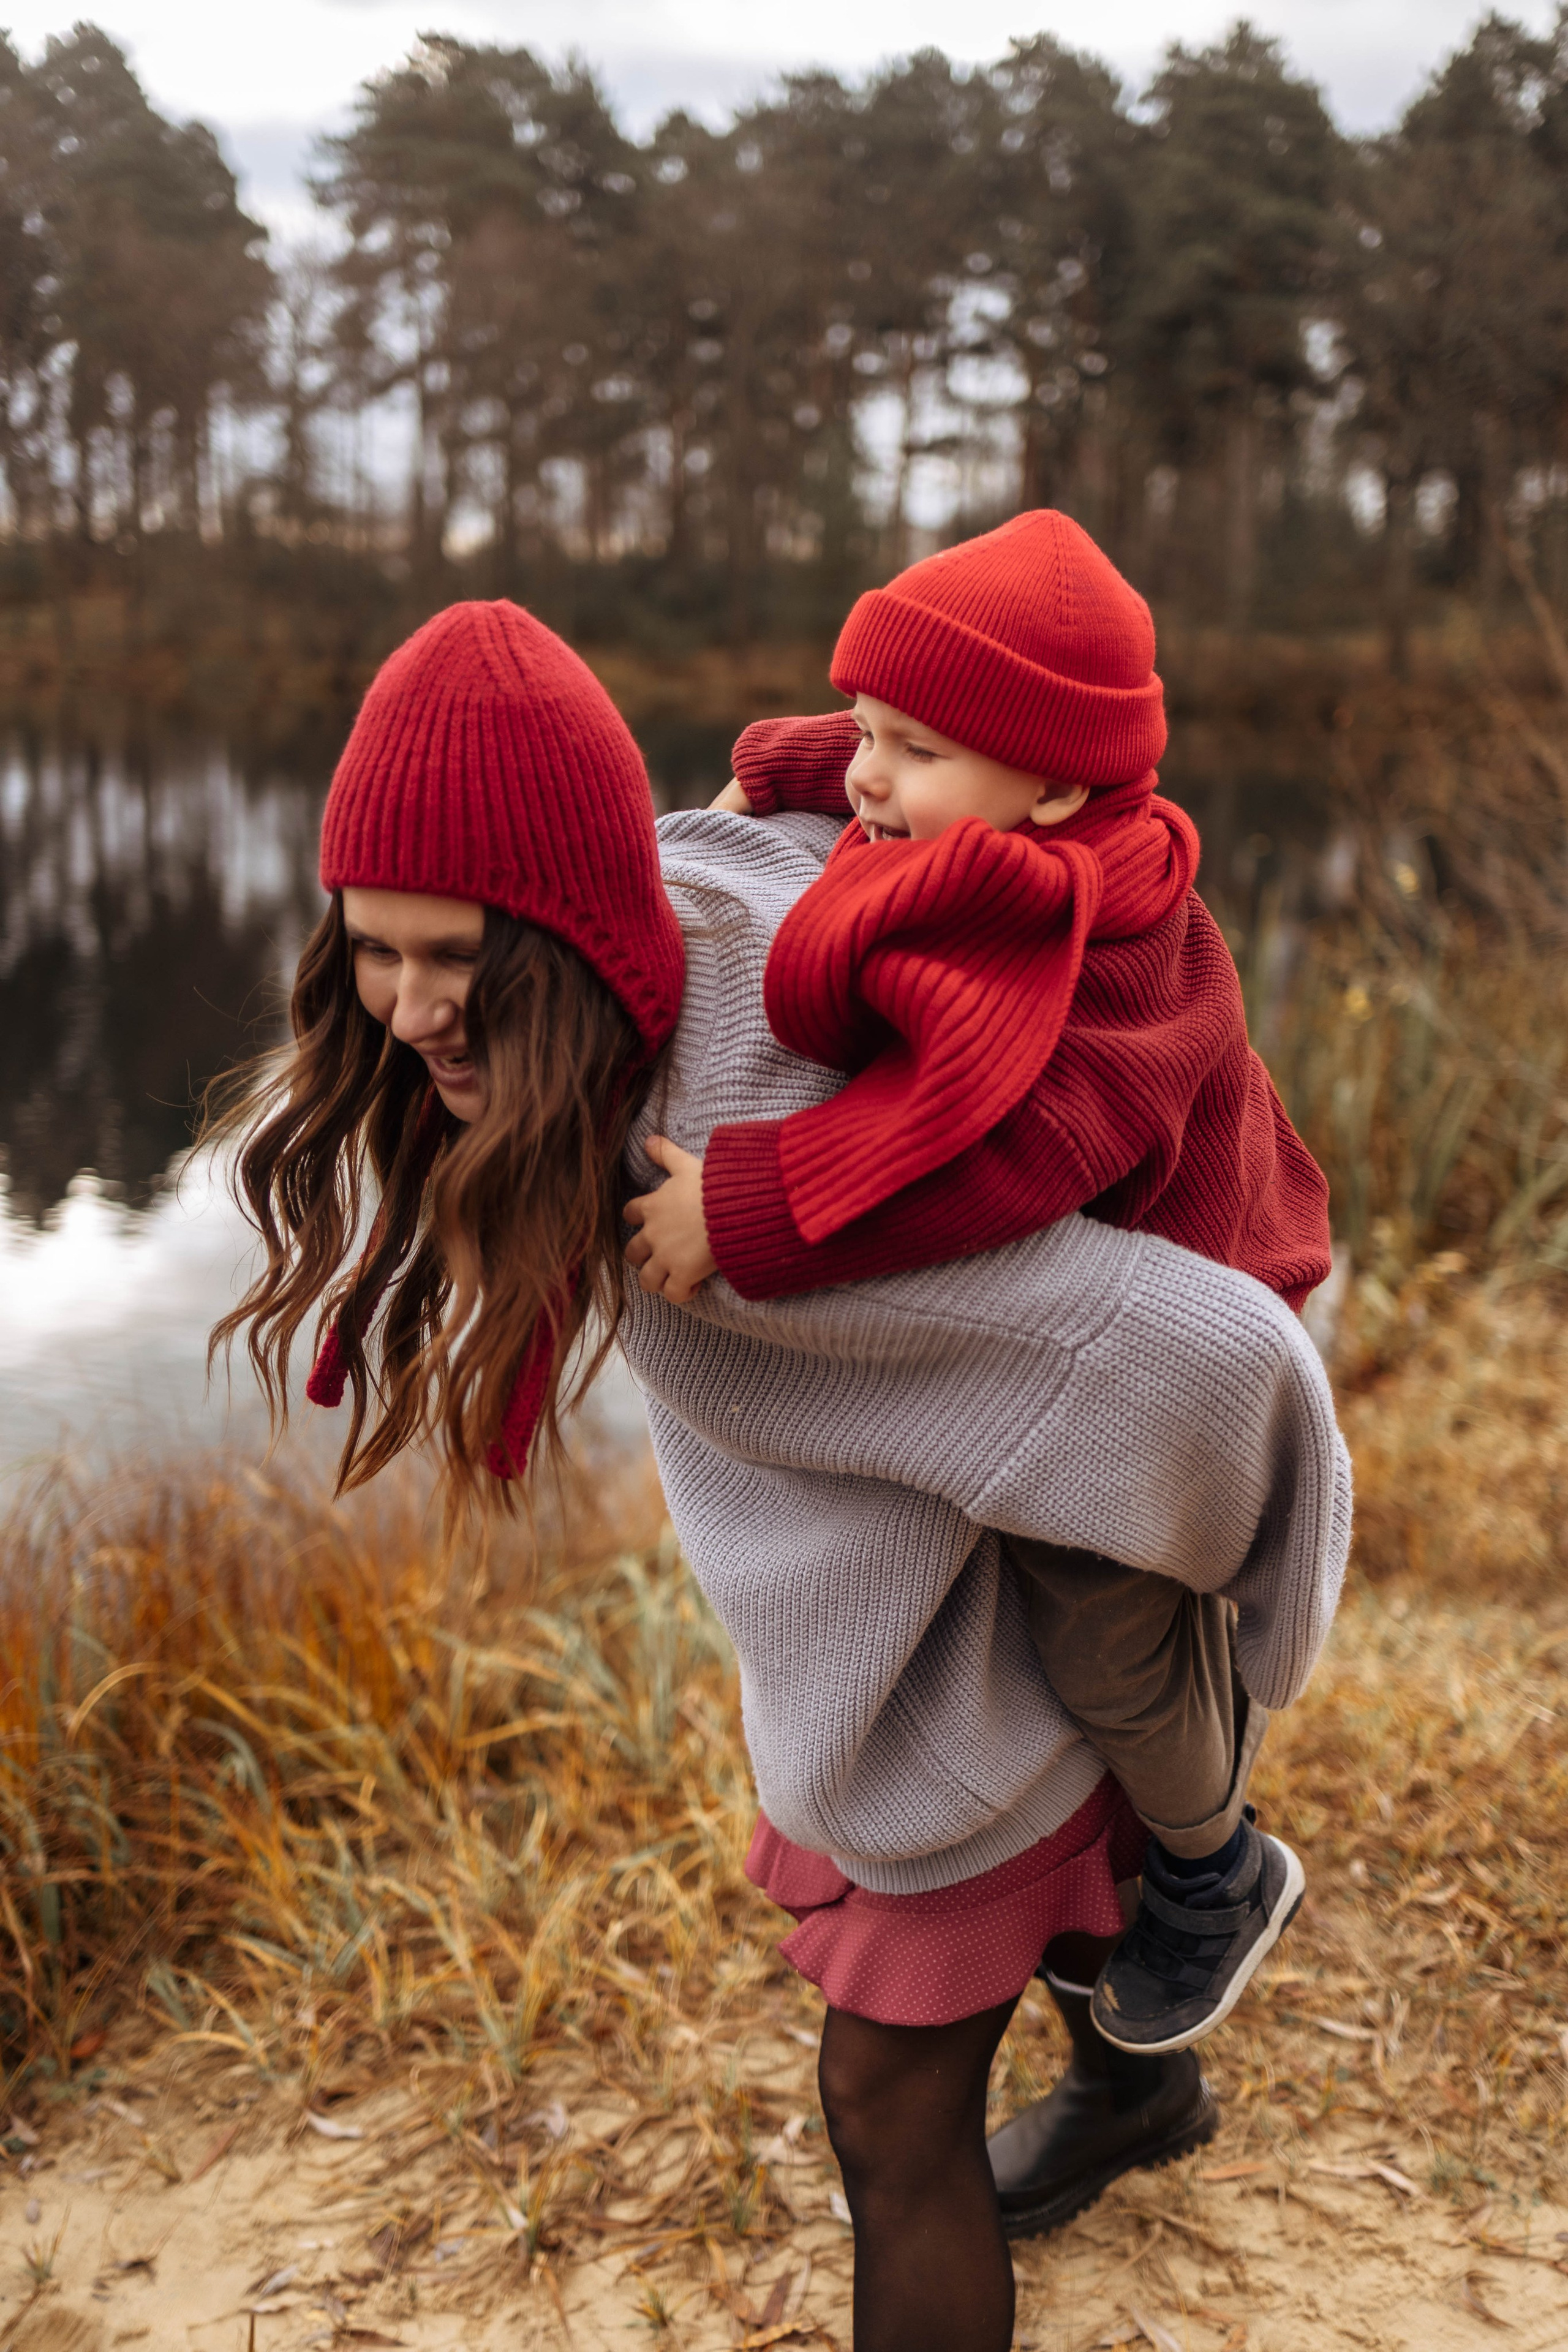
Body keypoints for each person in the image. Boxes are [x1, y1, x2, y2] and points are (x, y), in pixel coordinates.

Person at [208, 598, 1351, 2352]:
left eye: (458, 960)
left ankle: (1188, 1909)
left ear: (577, 938)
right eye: (375, 949)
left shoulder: (764, 1121)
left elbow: (1169, 1351)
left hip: (1013, 1604)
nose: (414, 1008)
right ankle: (1141, 2095)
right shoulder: (667, 907)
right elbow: (800, 792)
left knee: (890, 2112)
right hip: (905, 1580)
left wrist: (1239, 1529)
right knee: (1042, 1932)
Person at [623, 509, 1332, 2061]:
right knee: (1002, 1585)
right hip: (1082, 1292)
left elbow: (971, 1162)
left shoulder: (1097, 970)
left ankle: (1216, 1869)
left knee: (1095, 1613)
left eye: (905, 753)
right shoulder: (997, 803)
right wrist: (787, 766)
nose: (869, 775)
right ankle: (1110, 1923)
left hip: (1192, 1299)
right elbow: (886, 747)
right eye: (868, 729)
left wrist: (748, 1208)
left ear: (1056, 789)